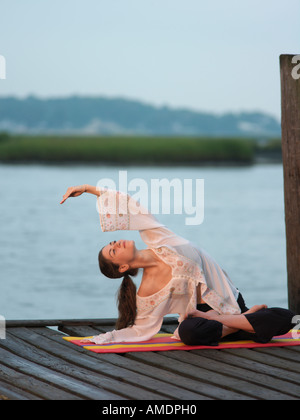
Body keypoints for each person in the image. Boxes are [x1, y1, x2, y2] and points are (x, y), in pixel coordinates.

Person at [60, 184, 295, 346]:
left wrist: (88, 189)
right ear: (122, 268)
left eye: (112, 242)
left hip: (230, 302)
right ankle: (247, 323)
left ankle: (235, 322)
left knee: (287, 317)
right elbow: (140, 330)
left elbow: (128, 203)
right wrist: (103, 338)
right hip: (200, 316)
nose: (116, 243)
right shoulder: (147, 292)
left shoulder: (157, 236)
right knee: (187, 332)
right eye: (113, 250)